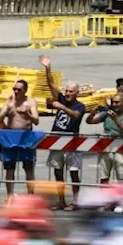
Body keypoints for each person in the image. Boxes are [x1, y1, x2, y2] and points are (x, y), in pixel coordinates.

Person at [40, 56, 85, 209]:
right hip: (57, 142)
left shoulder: (80, 106)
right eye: (66, 91)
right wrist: (47, 68)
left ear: (76, 93)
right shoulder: (61, 99)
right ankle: (61, 200)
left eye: (70, 91)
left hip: (72, 143)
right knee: (58, 173)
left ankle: (76, 201)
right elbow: (51, 83)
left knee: (73, 173)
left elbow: (75, 116)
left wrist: (61, 107)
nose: (67, 93)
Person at [0, 79, 40, 195]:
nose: (16, 92)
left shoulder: (31, 102)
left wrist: (27, 114)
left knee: (28, 168)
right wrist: (7, 107)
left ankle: (30, 195)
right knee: (10, 168)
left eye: (19, 90)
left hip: (26, 138)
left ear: (25, 90)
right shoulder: (10, 101)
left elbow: (36, 121)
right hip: (11, 138)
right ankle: (9, 195)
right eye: (14, 89)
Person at [89, 92, 123, 184]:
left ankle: (121, 197)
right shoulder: (107, 113)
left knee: (121, 178)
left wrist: (116, 119)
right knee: (104, 177)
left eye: (117, 102)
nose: (114, 105)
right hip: (106, 149)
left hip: (120, 150)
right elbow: (90, 121)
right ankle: (104, 197)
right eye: (113, 102)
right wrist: (93, 112)